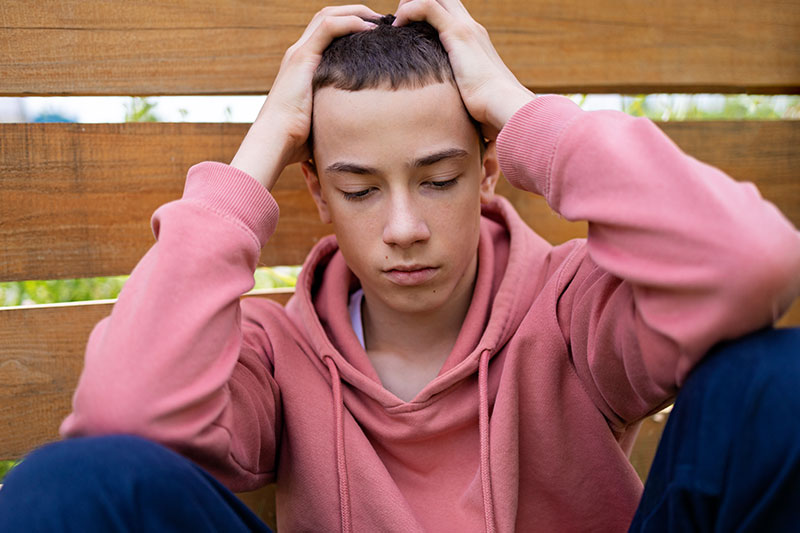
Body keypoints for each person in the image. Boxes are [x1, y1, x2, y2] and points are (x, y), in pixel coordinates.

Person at [1, 1, 799, 531]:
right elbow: (122, 416)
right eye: (359, 189)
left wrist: (521, 110)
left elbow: (752, 261)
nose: (405, 228)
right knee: (66, 484)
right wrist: (262, 146)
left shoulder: (570, 310)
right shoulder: (276, 355)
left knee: (778, 381)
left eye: (440, 179)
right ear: (317, 190)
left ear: (489, 170)